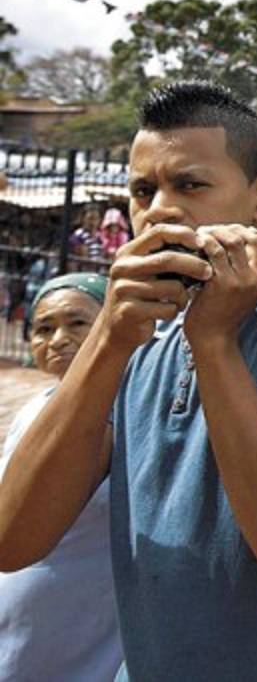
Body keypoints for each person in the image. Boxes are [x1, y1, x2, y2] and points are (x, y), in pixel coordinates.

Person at [0, 81, 257, 680]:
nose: (158, 210)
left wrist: (212, 341)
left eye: (190, 185)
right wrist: (106, 337)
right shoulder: (131, 334)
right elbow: (15, 539)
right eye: (142, 191)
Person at [0, 273, 121, 681]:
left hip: (82, 620)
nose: (57, 340)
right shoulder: (38, 407)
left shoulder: (131, 408)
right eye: (44, 328)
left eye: (77, 324)